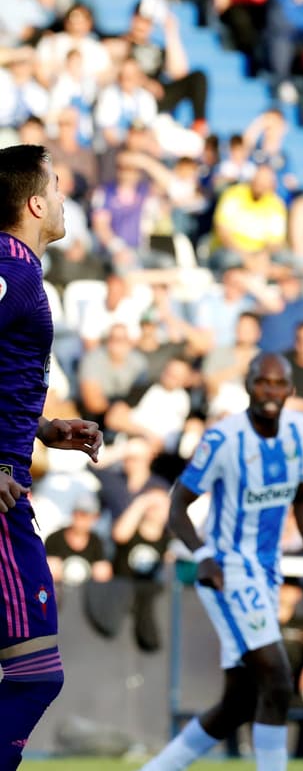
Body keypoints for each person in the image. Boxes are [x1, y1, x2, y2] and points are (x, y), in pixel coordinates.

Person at [140, 353, 303, 771]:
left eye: (278, 383)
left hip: (268, 571)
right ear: (248, 385)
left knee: (239, 702)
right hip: (227, 570)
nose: (270, 391)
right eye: (262, 383)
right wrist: (203, 556)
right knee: (279, 682)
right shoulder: (223, 439)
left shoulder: (301, 431)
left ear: (290, 389)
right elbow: (177, 505)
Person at [0, 144, 104, 767]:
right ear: (36, 203)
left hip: (13, 472)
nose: (65, 200)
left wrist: (40, 428)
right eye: (58, 188)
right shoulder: (11, 271)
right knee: (36, 674)